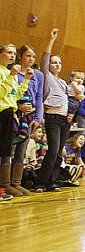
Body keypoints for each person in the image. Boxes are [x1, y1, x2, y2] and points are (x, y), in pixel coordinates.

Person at [34, 29, 73, 193]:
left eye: (59, 63)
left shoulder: (63, 82)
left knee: (59, 153)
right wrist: (51, 40)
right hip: (53, 118)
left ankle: (53, 181)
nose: (57, 65)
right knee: (53, 150)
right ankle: (40, 182)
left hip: (65, 120)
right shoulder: (47, 76)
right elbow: (44, 59)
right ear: (49, 65)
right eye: (54, 62)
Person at [0, 43, 33, 196]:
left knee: (7, 150)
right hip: (1, 113)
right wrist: (12, 76)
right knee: (2, 150)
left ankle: (6, 184)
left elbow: (16, 95)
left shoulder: (9, 72)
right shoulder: (4, 73)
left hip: (10, 113)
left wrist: (25, 80)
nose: (12, 56)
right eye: (9, 52)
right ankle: (4, 185)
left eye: (14, 53)